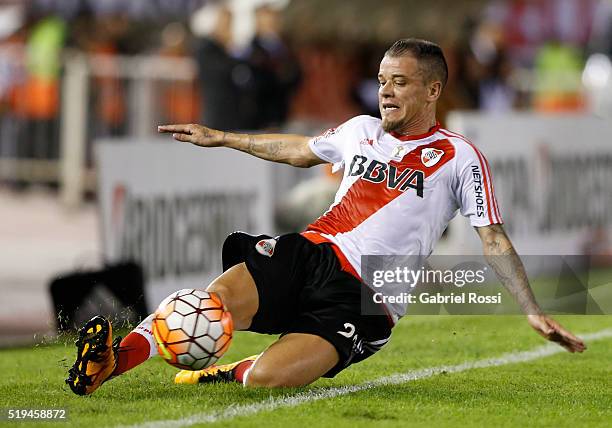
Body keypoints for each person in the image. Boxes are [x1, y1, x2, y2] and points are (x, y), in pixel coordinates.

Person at [66, 38, 586, 395]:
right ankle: (113, 360)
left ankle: (223, 374)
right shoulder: (360, 130)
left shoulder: (459, 156)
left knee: (267, 380)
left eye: (400, 82)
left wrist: (531, 308)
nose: (386, 90)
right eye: (383, 80)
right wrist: (224, 138)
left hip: (366, 299)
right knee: (206, 304)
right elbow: (300, 150)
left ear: (432, 90)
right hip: (311, 252)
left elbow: (491, 237)